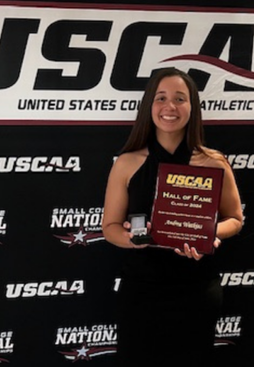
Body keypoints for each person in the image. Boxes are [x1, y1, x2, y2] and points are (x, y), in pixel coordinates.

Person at [102, 67, 244, 367]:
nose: (170, 107)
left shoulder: (213, 161)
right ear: (149, 106)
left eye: (180, 98)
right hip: (142, 291)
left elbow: (235, 218)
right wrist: (131, 240)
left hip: (196, 290)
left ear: (192, 107)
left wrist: (209, 234)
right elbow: (110, 227)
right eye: (161, 98)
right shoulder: (127, 163)